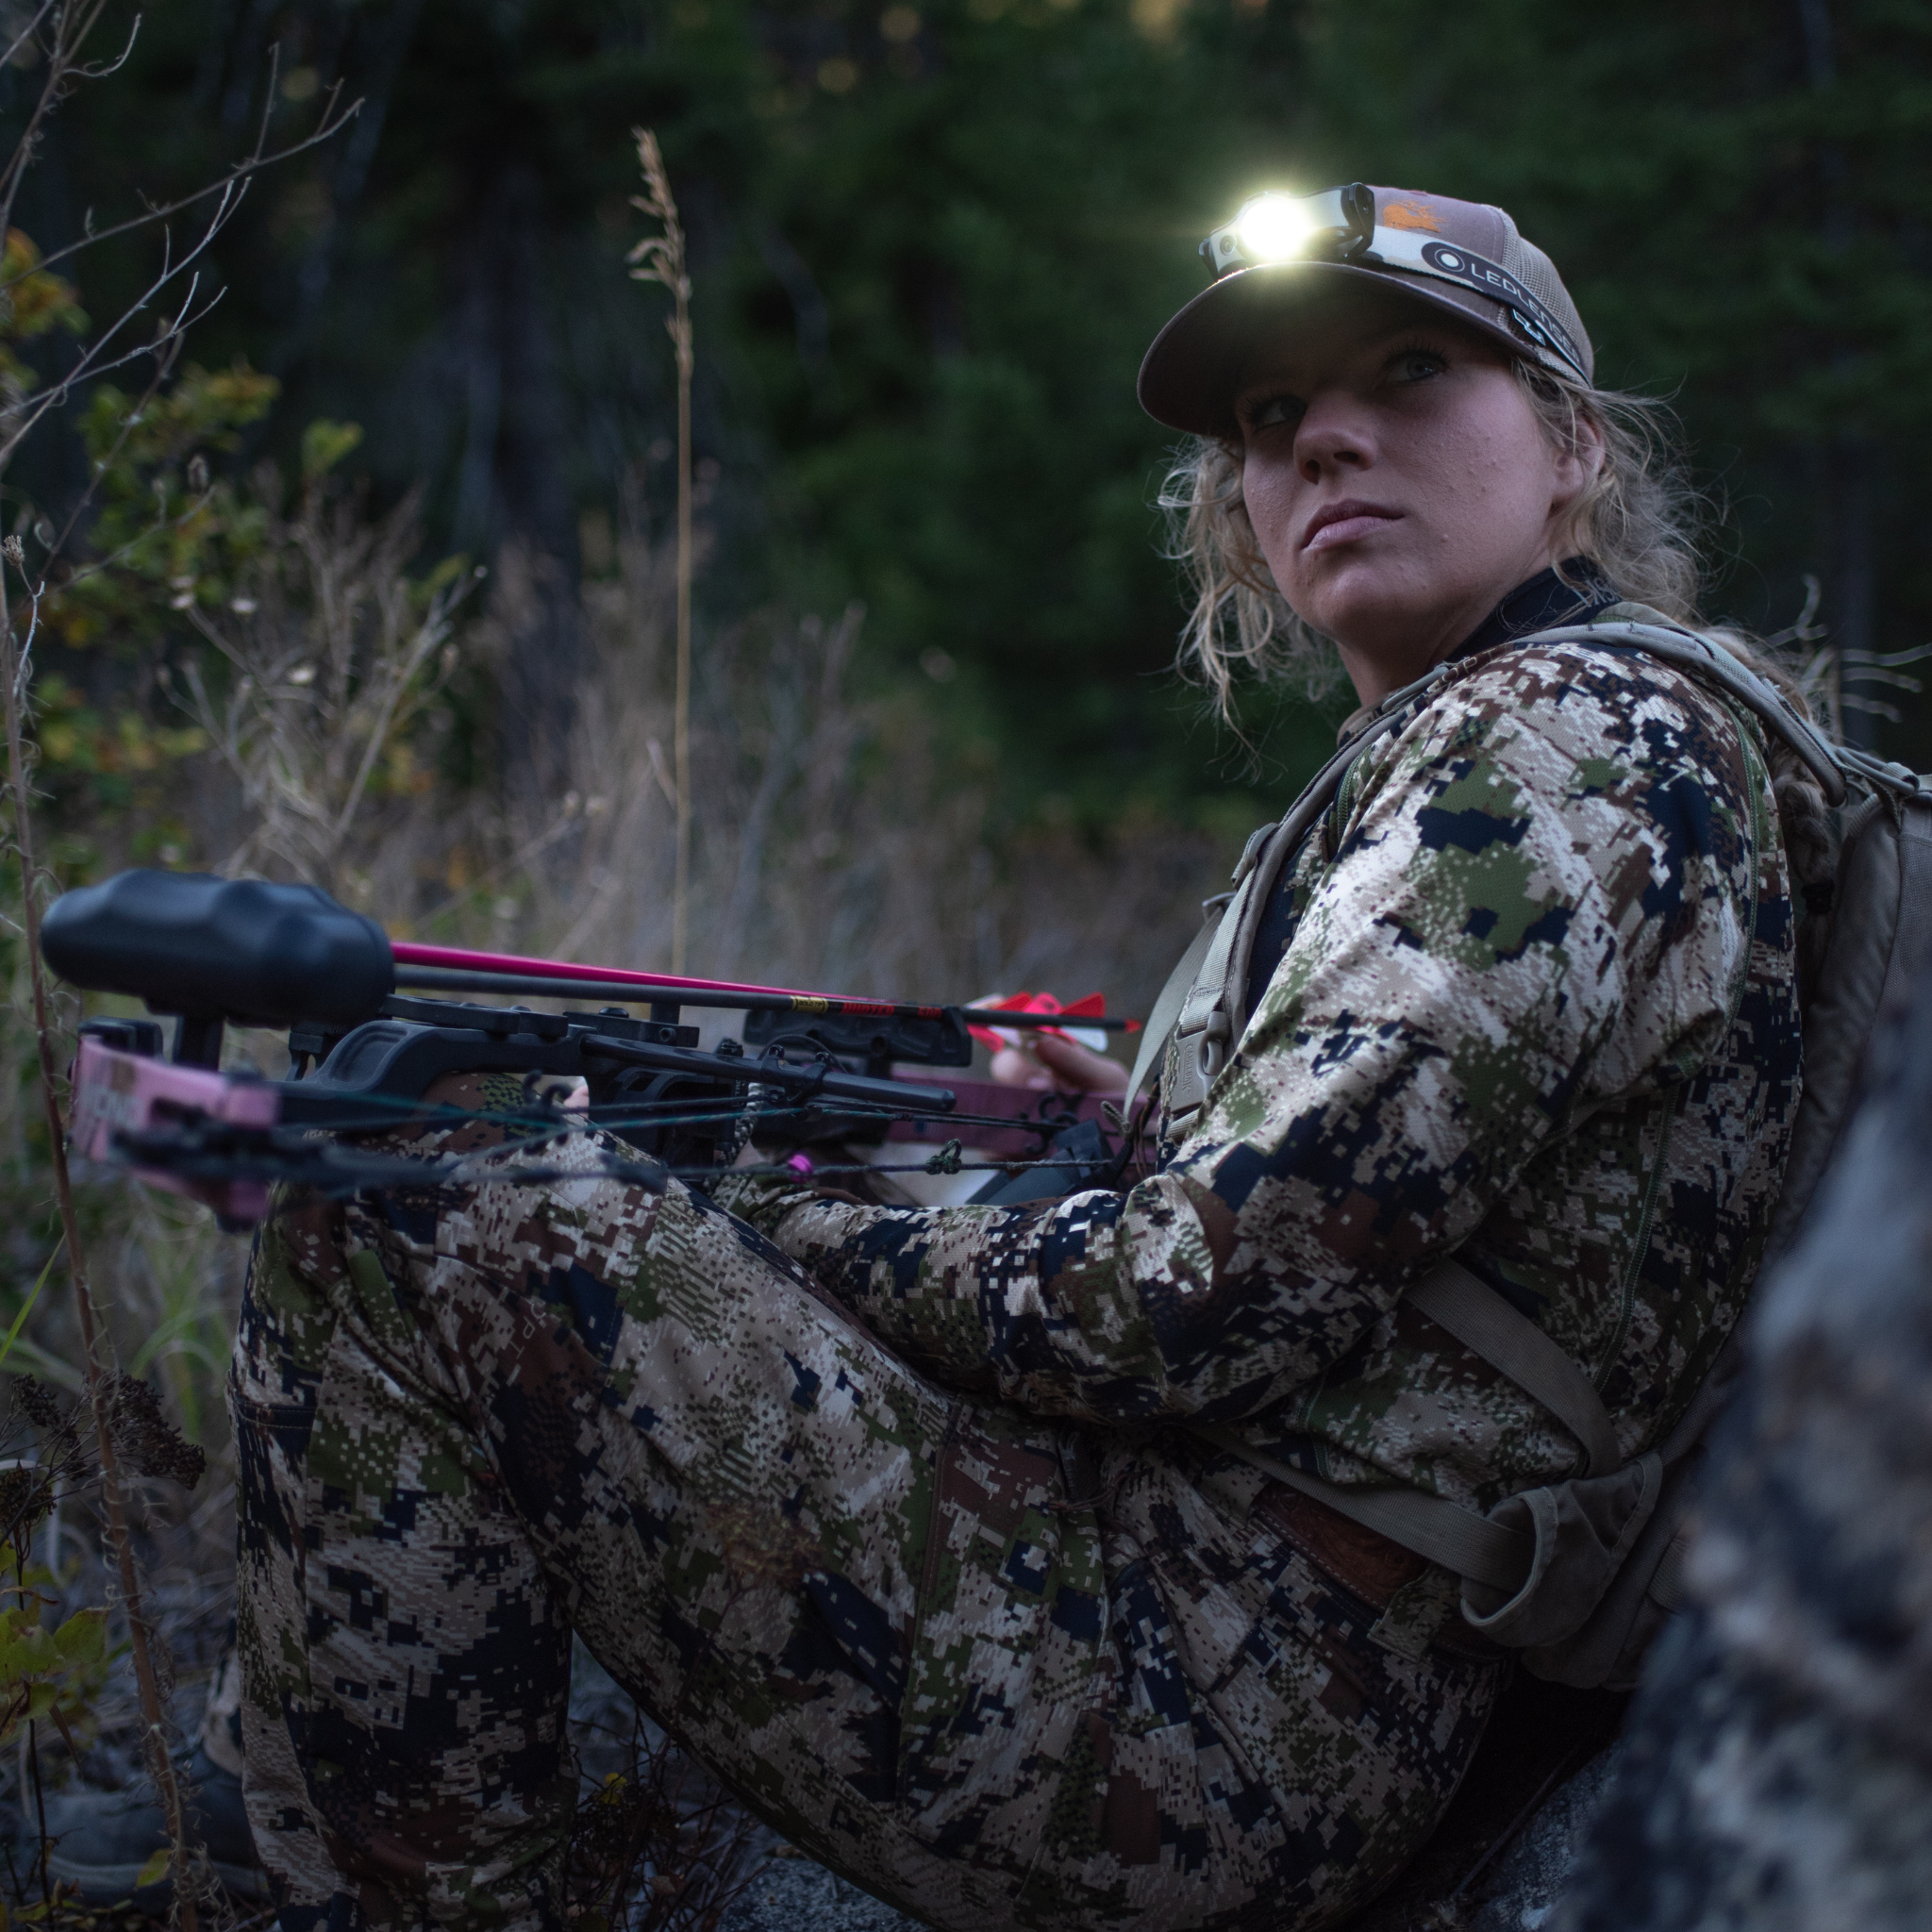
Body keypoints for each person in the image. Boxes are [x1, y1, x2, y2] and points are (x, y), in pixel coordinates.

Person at [107, 184, 1808, 1930]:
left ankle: (325, 1874)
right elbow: (1383, 1236)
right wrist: (1146, 1130)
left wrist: (761, 1217)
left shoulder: (1556, 743)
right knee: (445, 1146)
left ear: (1575, 444)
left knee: (416, 1193)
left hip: (1233, 1714)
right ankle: (273, 1823)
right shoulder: (1552, 736)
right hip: (1250, 1637)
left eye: (1412, 371)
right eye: (1271, 415)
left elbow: (1181, 1304)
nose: (1325, 440)